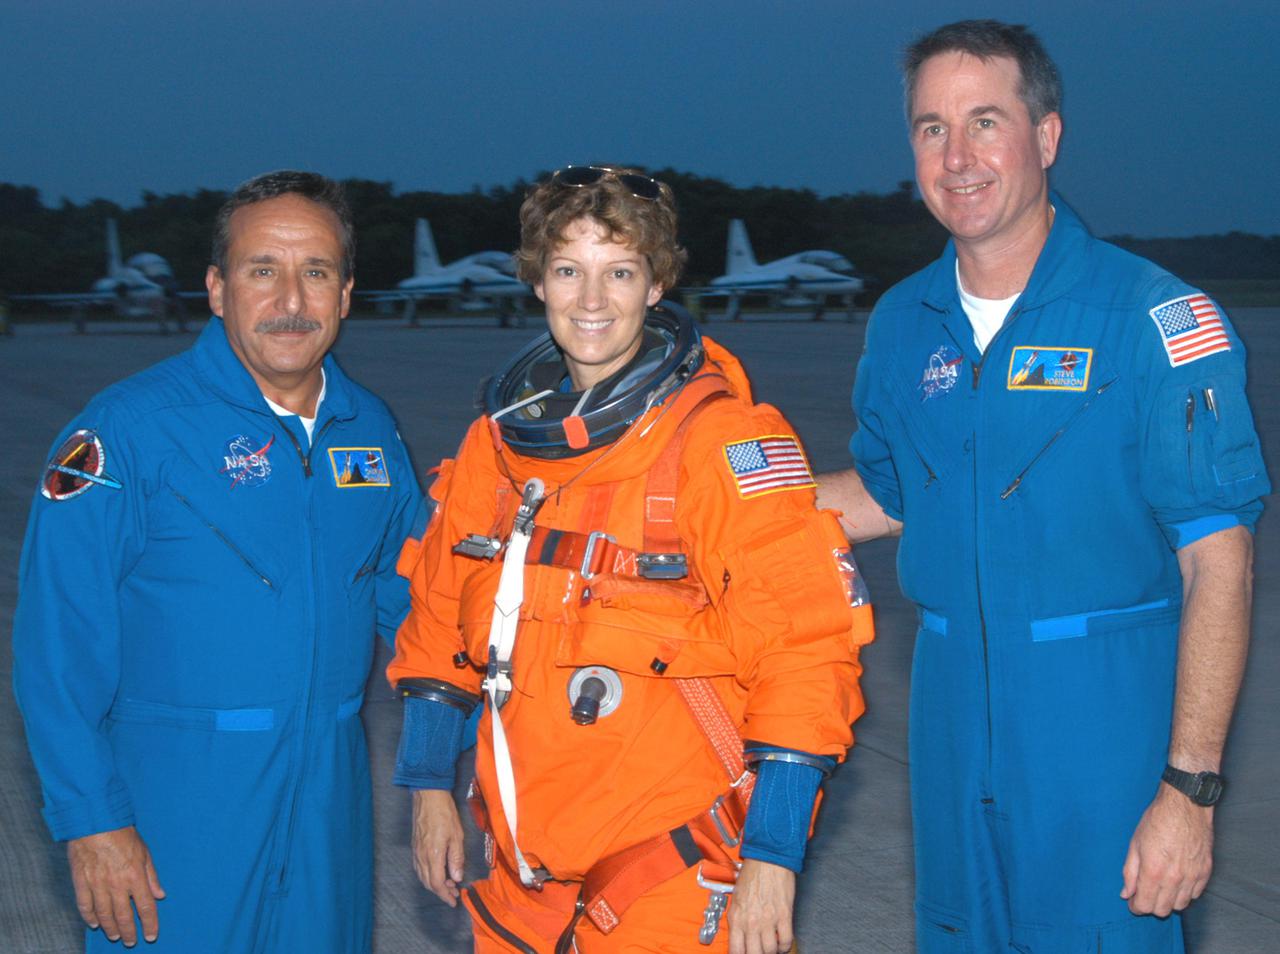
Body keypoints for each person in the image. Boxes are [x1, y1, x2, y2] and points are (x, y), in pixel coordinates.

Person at [818, 19, 1268, 954]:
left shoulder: (1152, 317)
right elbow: (890, 496)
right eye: (931, 128)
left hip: (1102, 738)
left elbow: (1218, 564)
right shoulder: (905, 322)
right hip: (948, 730)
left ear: (1048, 136)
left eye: (986, 121)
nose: (958, 156)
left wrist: (1188, 792)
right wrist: (699, 504)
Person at [387, 165, 874, 953]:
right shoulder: (496, 447)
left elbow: (805, 646)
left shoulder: (722, 442)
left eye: (619, 272)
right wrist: (427, 785)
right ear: (537, 282)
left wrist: (773, 858)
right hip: (521, 877)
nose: (590, 300)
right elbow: (442, 609)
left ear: (656, 285)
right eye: (567, 270)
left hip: (668, 873)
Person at [13, 171, 424, 952]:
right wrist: (93, 819)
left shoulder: (367, 428)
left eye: (317, 273)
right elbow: (57, 646)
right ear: (215, 288)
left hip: (328, 802)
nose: (291, 301)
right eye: (262, 269)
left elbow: (415, 597)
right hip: (177, 805)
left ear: (345, 295)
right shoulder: (127, 434)